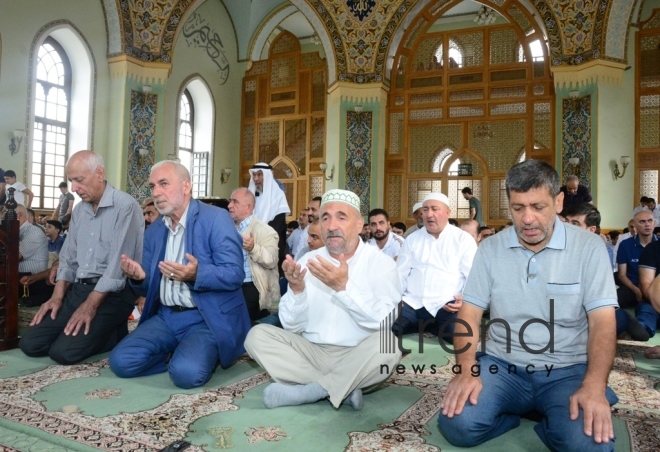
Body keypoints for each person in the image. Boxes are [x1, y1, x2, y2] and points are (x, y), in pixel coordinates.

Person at [438, 160, 618, 451]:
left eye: (538, 206)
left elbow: (603, 322)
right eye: (518, 208)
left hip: (567, 369)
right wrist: (466, 369)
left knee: (590, 445)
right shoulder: (490, 249)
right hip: (502, 366)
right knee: (458, 426)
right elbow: (469, 313)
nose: (527, 218)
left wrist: (594, 387)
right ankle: (513, 414)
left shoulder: (589, 248)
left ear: (558, 201)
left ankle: (548, 418)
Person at [244, 189, 402, 410]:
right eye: (325, 217)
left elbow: (384, 320)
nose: (331, 225)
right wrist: (297, 290)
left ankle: (313, 390)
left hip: (358, 353)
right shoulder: (309, 260)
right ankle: (342, 387)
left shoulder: (381, 264)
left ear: (359, 225)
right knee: (256, 336)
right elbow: (291, 325)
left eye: (341, 217)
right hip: (311, 352)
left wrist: (343, 288)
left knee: (389, 347)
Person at [109, 161, 250, 389]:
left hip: (205, 318)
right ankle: (176, 354)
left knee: (186, 375)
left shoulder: (215, 218)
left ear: (186, 187)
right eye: (153, 186)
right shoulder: (155, 230)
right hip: (166, 317)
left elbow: (234, 273)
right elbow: (146, 289)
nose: (156, 192)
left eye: (164, 184)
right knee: (120, 362)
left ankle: (193, 354)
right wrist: (138, 278)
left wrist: (197, 274)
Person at [19, 151, 144, 365]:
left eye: (79, 180)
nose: (75, 188)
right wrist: (57, 297)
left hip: (112, 295)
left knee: (63, 353)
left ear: (99, 173)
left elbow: (116, 269)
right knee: (31, 343)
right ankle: (99, 331)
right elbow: (68, 259)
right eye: (71, 181)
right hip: (79, 289)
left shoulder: (126, 207)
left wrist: (90, 306)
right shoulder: (79, 211)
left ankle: (113, 333)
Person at [393, 193, 477, 339]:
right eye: (425, 210)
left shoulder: (462, 239)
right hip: (414, 303)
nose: (429, 214)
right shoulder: (412, 239)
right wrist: (395, 300)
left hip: (446, 303)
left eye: (434, 209)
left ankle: (431, 324)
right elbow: (400, 274)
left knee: (458, 333)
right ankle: (432, 325)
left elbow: (473, 276)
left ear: (448, 212)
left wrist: (465, 300)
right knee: (387, 325)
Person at [228, 187, 280, 323]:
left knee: (246, 329)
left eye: (235, 202)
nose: (229, 205)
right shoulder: (226, 228)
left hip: (252, 288)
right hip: (229, 286)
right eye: (230, 201)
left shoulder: (265, 231)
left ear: (248, 208)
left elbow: (272, 260)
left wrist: (253, 248)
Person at [248, 163, 291, 274]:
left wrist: (257, 238)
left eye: (259, 175)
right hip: (250, 245)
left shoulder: (278, 196)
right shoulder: (250, 195)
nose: (256, 178)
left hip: (270, 246)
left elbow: (277, 226)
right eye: (254, 175)